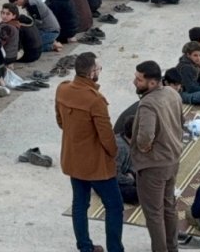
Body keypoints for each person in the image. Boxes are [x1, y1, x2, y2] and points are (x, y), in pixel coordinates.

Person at [56, 52, 124, 252]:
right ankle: (115, 249)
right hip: (96, 164)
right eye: (98, 69)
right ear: (91, 73)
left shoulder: (62, 89)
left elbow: (60, 121)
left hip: (73, 158)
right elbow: (106, 136)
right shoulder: (95, 100)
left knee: (79, 204)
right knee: (114, 206)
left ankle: (85, 247)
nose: (99, 72)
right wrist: (113, 154)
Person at [131, 60, 196, 252]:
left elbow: (144, 137)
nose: (134, 82)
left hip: (153, 166)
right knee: (169, 206)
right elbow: (181, 121)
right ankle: (172, 246)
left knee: (154, 213)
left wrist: (144, 149)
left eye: (138, 79)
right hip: (172, 160)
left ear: (152, 83)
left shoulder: (147, 104)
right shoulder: (171, 93)